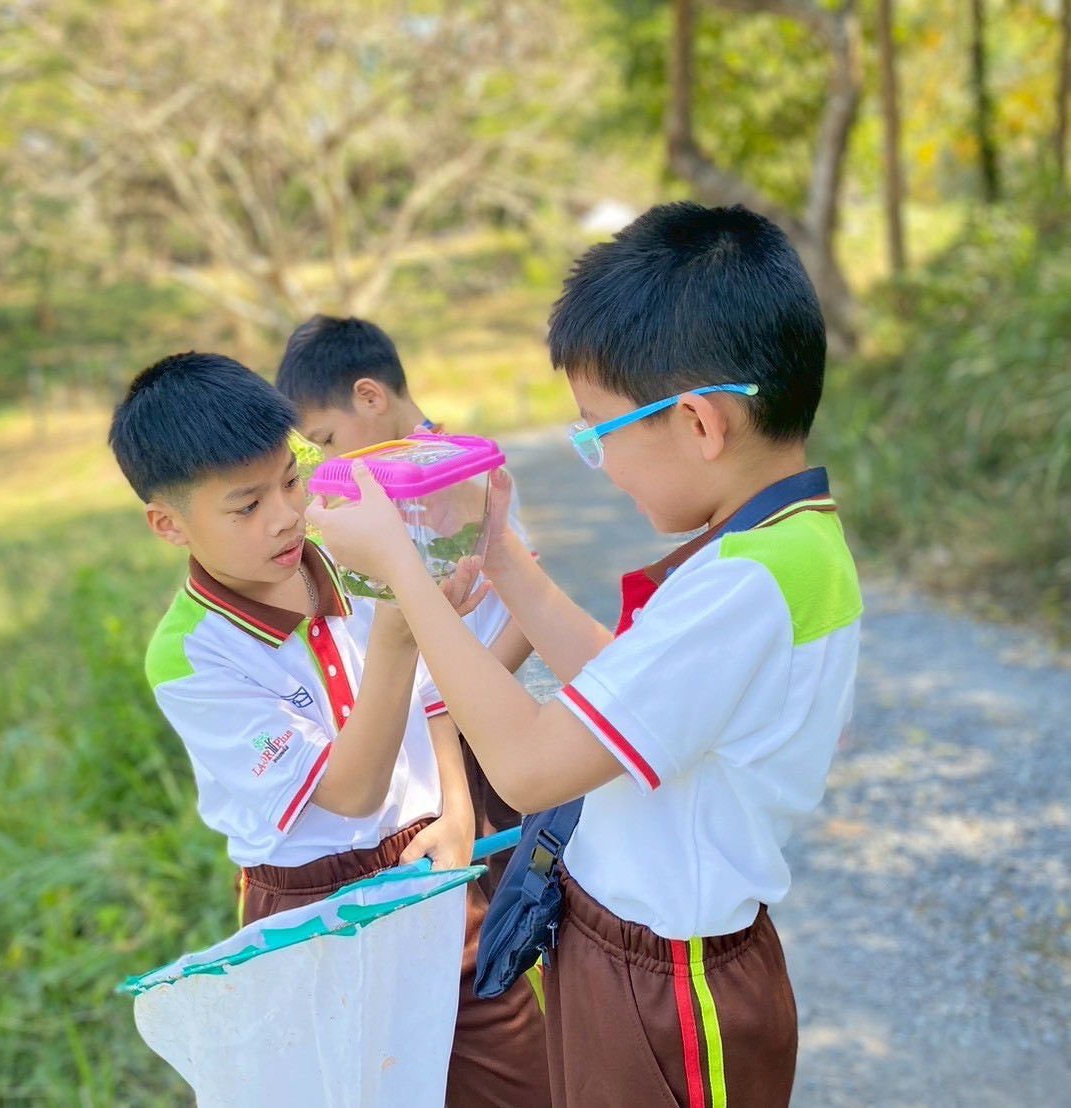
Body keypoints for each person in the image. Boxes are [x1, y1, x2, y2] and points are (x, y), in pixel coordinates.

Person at [310, 202, 862, 1107]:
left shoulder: (746, 585)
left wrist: (403, 573)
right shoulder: (776, 546)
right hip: (632, 956)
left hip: (669, 988)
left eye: (597, 432)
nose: (596, 459)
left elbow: (530, 768)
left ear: (697, 423)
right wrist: (498, 552)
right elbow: (625, 688)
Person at [109, 352, 550, 1107]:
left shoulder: (351, 551)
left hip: (431, 864)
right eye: (246, 506)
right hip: (311, 910)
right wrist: (398, 632)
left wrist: (455, 808)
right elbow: (349, 793)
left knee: (523, 1080)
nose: (285, 515)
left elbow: (435, 692)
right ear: (168, 524)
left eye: (291, 480)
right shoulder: (192, 655)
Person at [275, 315, 534, 893]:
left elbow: (526, 606)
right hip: (442, 726)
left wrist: (470, 694)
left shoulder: (459, 473)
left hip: (477, 724)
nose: (329, 457)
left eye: (327, 439)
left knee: (500, 889)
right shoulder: (386, 487)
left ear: (370, 396)